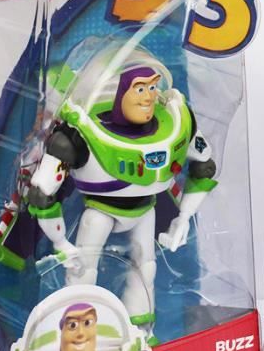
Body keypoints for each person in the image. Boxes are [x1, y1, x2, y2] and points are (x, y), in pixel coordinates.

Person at [27, 60, 216, 330]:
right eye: (140, 89)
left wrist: (184, 216)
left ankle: (141, 330)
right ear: (121, 93)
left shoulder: (176, 124)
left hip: (145, 211)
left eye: (153, 87)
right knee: (83, 268)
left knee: (145, 269)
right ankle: (78, 327)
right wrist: (60, 242)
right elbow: (42, 192)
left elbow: (205, 167)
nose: (149, 97)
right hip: (99, 212)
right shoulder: (81, 134)